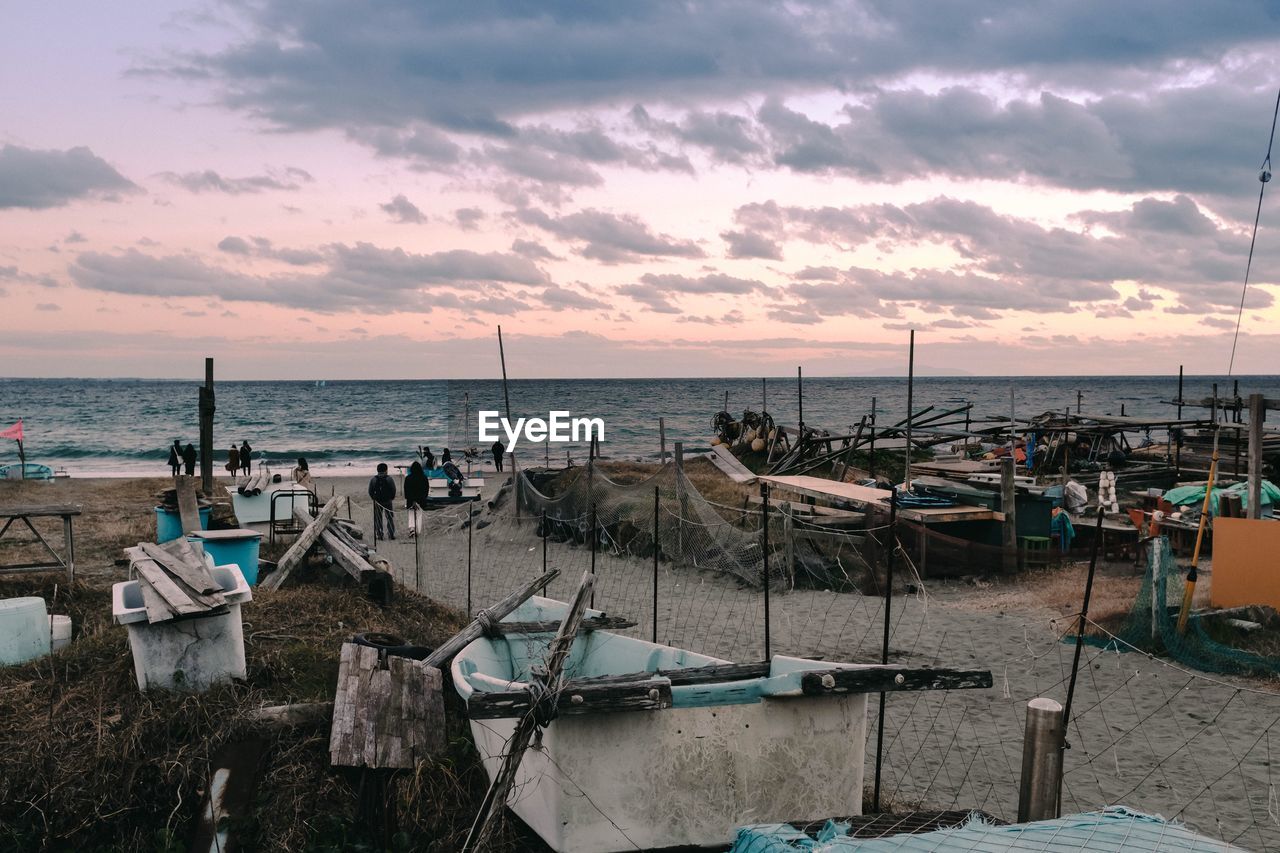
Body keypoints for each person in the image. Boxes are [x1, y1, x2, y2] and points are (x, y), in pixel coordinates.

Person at [368, 462, 397, 540]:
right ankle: (391, 534)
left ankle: (380, 534)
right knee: (389, 517)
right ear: (386, 470)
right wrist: (392, 497)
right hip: (387, 500)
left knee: (378, 518)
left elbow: (370, 491)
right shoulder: (389, 479)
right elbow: (393, 489)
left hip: (377, 501)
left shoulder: (373, 479)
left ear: (377, 470)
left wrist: (373, 498)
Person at [403, 460, 430, 537]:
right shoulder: (424, 477)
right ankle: (418, 530)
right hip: (421, 500)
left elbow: (406, 490)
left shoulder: (408, 478)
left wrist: (411, 499)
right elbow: (426, 489)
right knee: (419, 515)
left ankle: (412, 530)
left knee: (411, 515)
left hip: (411, 500)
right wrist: (424, 497)